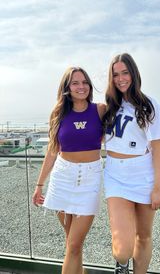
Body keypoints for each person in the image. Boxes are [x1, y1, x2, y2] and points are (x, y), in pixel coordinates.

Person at [32, 66, 106, 274]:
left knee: (73, 244)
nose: (81, 86)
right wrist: (39, 185)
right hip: (62, 178)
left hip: (90, 179)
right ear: (67, 87)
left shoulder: (100, 109)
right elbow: (52, 151)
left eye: (84, 82)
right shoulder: (58, 113)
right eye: (75, 82)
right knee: (72, 244)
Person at [102, 53, 160, 274]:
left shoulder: (149, 105)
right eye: (116, 74)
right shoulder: (107, 107)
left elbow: (158, 150)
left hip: (144, 176)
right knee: (123, 248)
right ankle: (121, 264)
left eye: (125, 72)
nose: (121, 79)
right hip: (115, 176)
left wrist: (158, 188)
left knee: (144, 236)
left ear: (133, 73)